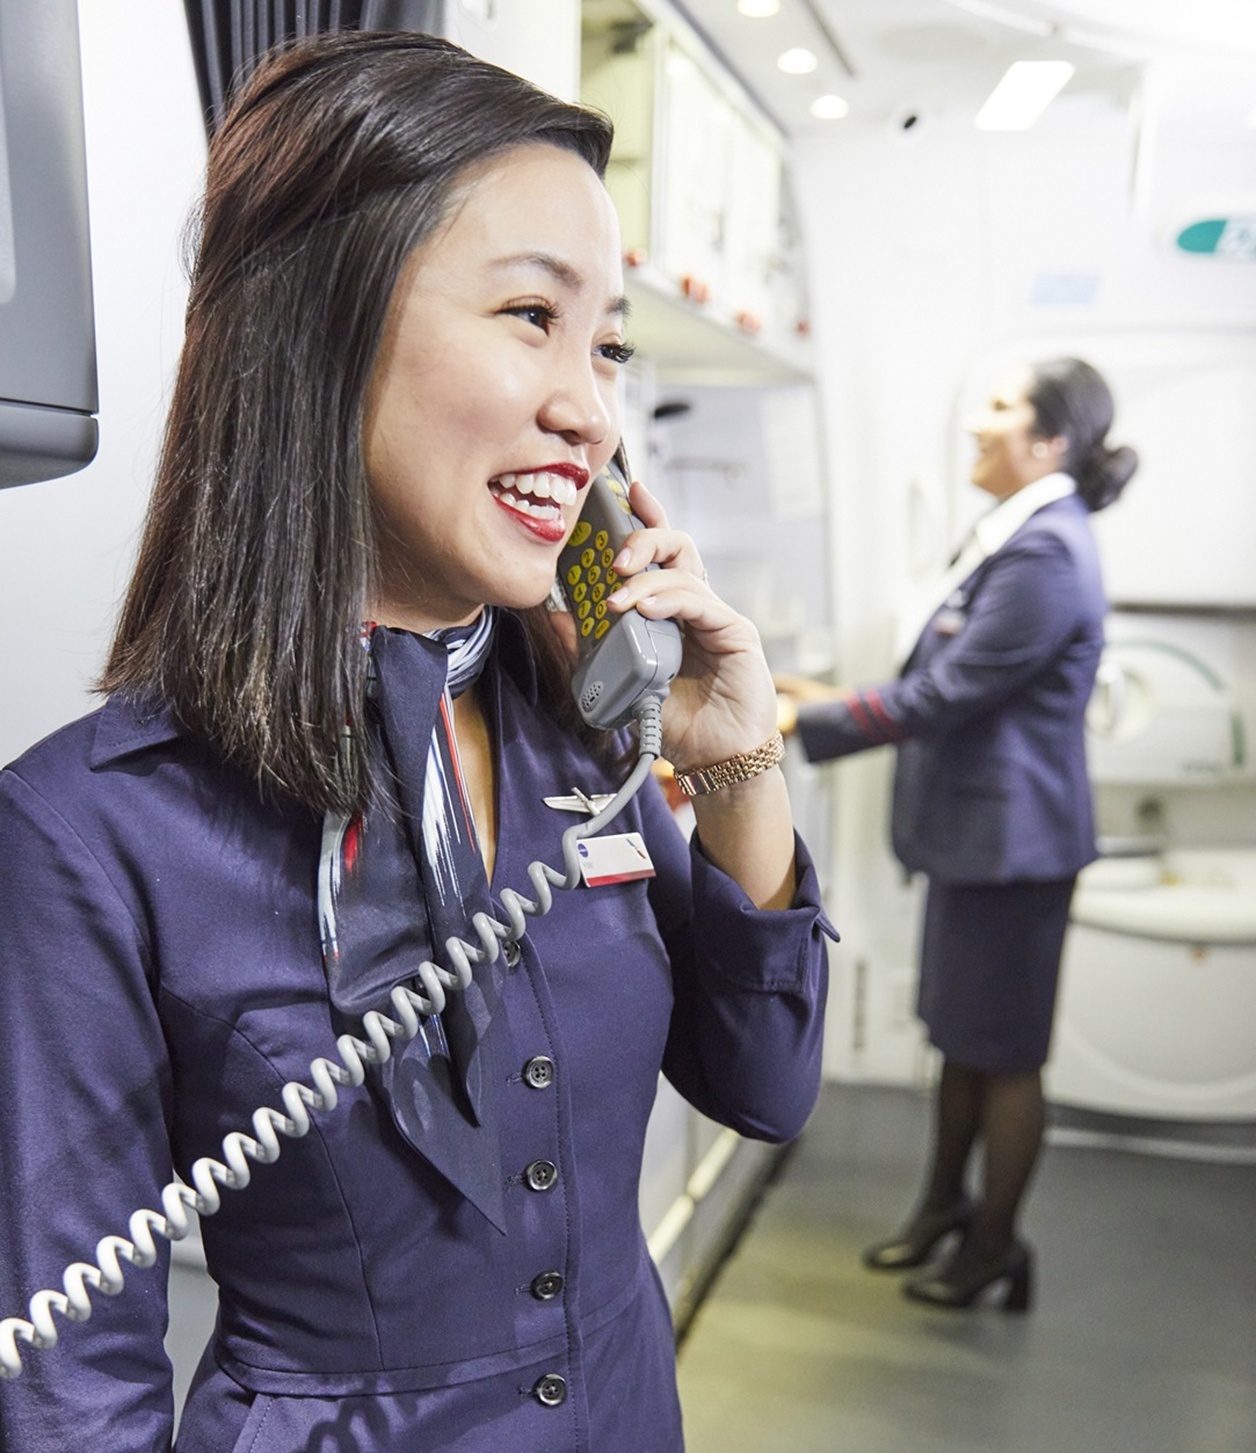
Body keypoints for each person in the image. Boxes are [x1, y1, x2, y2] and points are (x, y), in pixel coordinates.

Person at [0, 33, 834, 1451]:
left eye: (609, 345)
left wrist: (735, 764)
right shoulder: (89, 829)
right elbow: (72, 1382)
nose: (591, 409)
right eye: (531, 316)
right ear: (317, 324)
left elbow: (765, 1085)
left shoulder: (586, 748)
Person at [777, 357, 1136, 1312]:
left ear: (1051, 441)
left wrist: (801, 723)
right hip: (983, 844)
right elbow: (953, 674)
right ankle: (944, 1208)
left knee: (1007, 1054)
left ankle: (994, 1246)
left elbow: (951, 692)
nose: (981, 422)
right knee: (961, 1039)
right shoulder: (1019, 536)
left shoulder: (1048, 551)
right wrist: (821, 696)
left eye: (1004, 409)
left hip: (1016, 850)